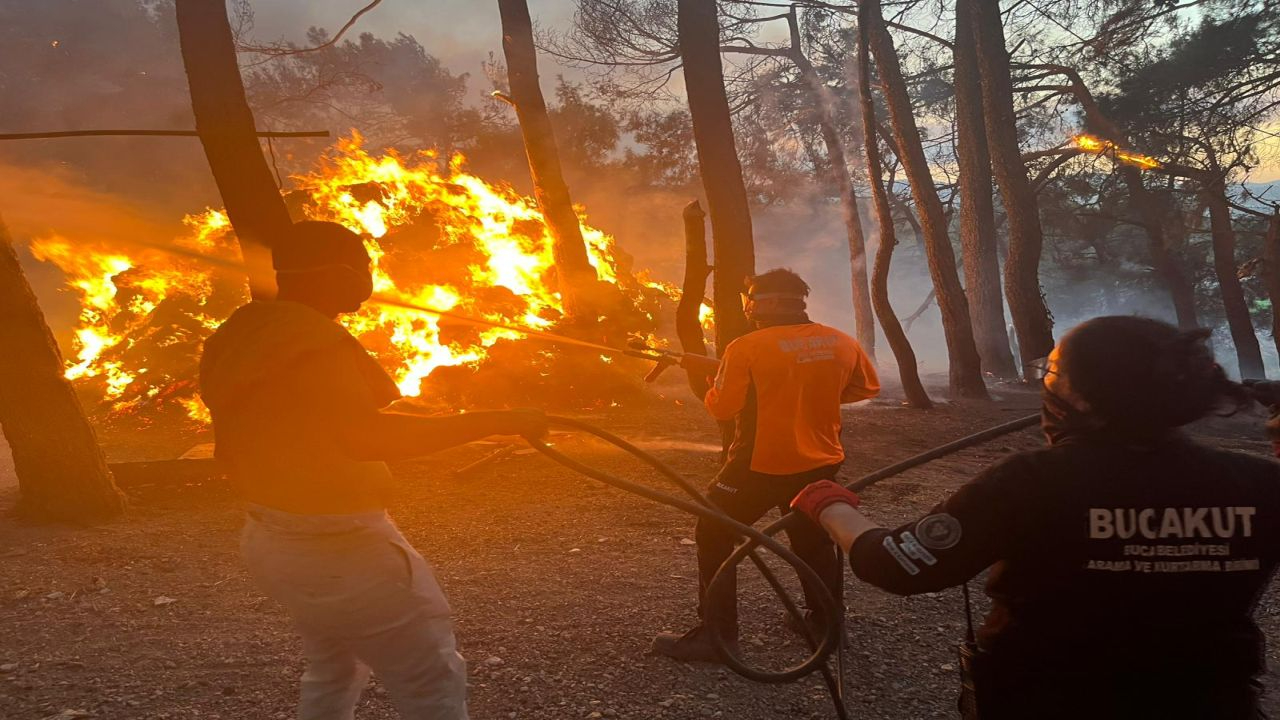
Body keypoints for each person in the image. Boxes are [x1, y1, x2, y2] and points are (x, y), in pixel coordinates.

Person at [791, 315, 1280, 720]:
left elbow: (898, 564)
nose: (1047, 385)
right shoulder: (1260, 484)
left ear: (1085, 397)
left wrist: (829, 506)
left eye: (1053, 374)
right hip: (1212, 704)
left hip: (1045, 701)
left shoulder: (1033, 481)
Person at [199, 221, 546, 720]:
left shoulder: (243, 329)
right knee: (432, 680)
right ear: (337, 272)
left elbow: (307, 416)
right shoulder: (314, 338)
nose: (368, 278)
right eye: (363, 267)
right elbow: (366, 437)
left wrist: (442, 420)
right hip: (343, 548)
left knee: (333, 669)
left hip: (272, 538)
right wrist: (500, 421)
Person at [652, 268, 880, 662]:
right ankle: (825, 623)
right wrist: (809, 396)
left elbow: (724, 406)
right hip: (822, 463)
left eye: (752, 298)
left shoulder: (747, 347)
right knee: (813, 540)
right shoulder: (841, 341)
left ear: (770, 303)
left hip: (757, 466)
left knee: (713, 531)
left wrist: (717, 382)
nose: (749, 305)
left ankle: (717, 638)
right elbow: (865, 387)